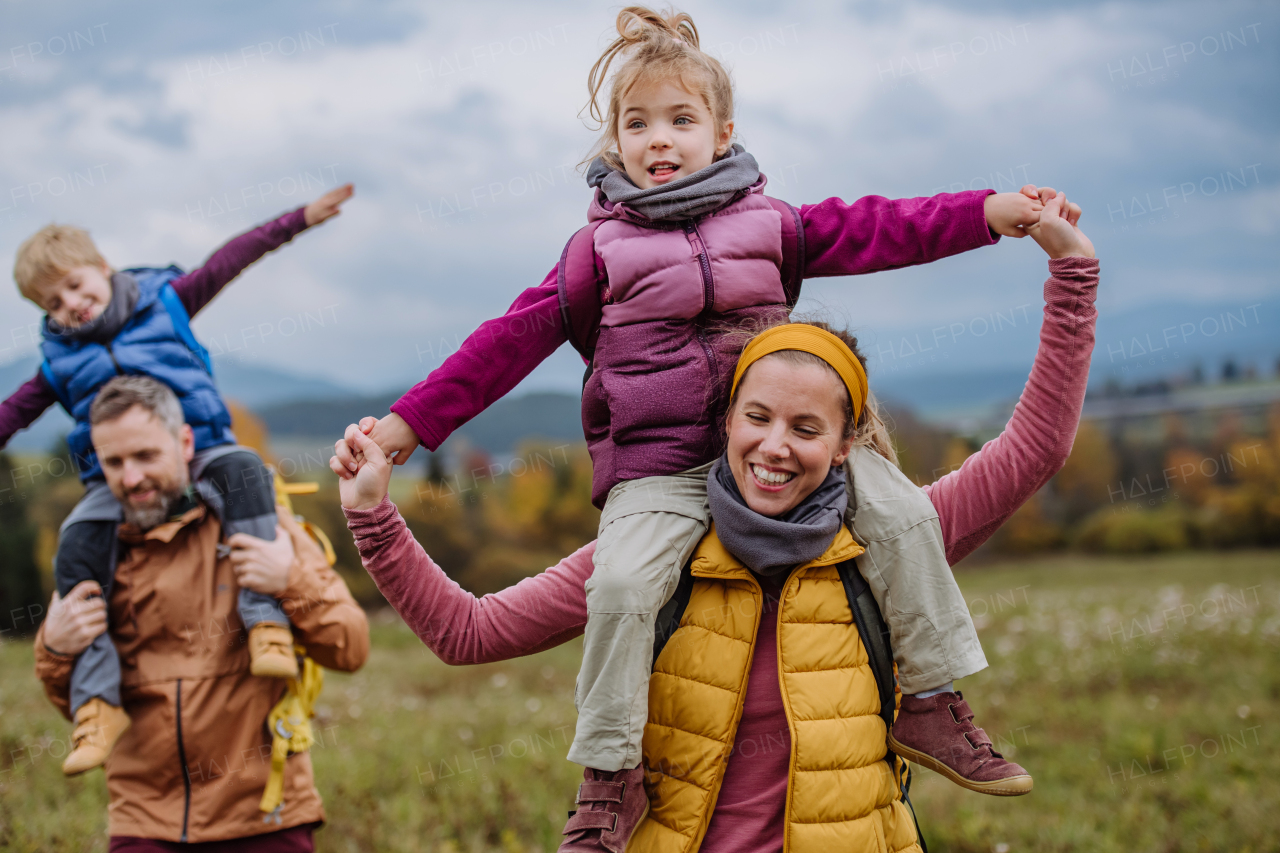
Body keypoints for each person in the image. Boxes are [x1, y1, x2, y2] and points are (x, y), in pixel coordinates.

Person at [346, 7, 1081, 830]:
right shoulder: (595, 254)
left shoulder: (771, 224)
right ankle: (609, 779)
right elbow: (506, 343)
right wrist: (411, 425)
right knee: (622, 585)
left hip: (780, 451)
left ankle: (934, 701)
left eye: (680, 120)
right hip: (658, 469)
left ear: (723, 132)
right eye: (637, 123)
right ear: (612, 141)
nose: (659, 140)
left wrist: (989, 211)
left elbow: (883, 228)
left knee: (907, 513)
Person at [3, 184, 353, 775]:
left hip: (206, 449)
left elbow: (228, 260)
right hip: (116, 483)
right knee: (76, 540)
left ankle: (264, 620)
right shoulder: (58, 364)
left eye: (76, 286)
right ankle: (97, 699)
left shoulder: (164, 300)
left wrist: (299, 220)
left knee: (248, 475)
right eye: (52, 301)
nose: (71, 304)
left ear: (103, 270)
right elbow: (12, 412)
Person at [35, 375, 369, 851]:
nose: (131, 478)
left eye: (146, 455)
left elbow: (351, 647)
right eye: (114, 462)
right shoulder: (94, 555)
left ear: (185, 441)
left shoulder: (261, 527)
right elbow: (75, 704)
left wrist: (290, 581)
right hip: (144, 822)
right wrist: (56, 650)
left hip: (266, 815)